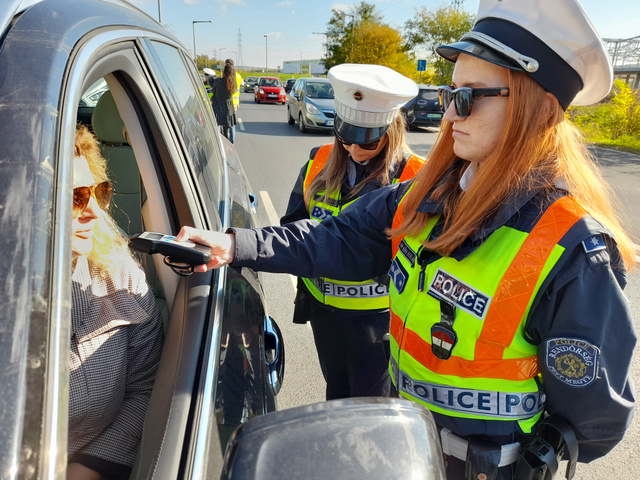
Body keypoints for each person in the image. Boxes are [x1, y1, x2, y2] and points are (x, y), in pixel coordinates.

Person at [176, 0, 637, 478]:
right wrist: (234, 244)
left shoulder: (574, 251)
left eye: (469, 96)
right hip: (401, 451)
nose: (449, 113)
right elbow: (334, 238)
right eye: (447, 94)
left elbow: (595, 421)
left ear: (538, 108)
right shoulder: (422, 198)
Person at [280, 63, 424, 400]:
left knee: (372, 410)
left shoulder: (415, 177)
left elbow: (427, 257)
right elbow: (291, 223)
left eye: (367, 143)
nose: (354, 150)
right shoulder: (320, 160)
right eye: (345, 138)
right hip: (324, 316)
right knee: (336, 393)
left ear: (392, 132)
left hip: (378, 323)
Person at [68, 124, 165, 480]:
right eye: (76, 197)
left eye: (98, 192)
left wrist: (89, 467)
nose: (94, 212)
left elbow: (146, 387)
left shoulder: (120, 274)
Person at [211, 61, 238, 143]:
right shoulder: (233, 83)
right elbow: (233, 92)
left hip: (217, 106)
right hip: (228, 107)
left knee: (217, 126)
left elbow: (214, 91)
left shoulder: (218, 81)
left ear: (224, 71)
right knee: (227, 129)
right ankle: (229, 144)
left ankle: (218, 143)